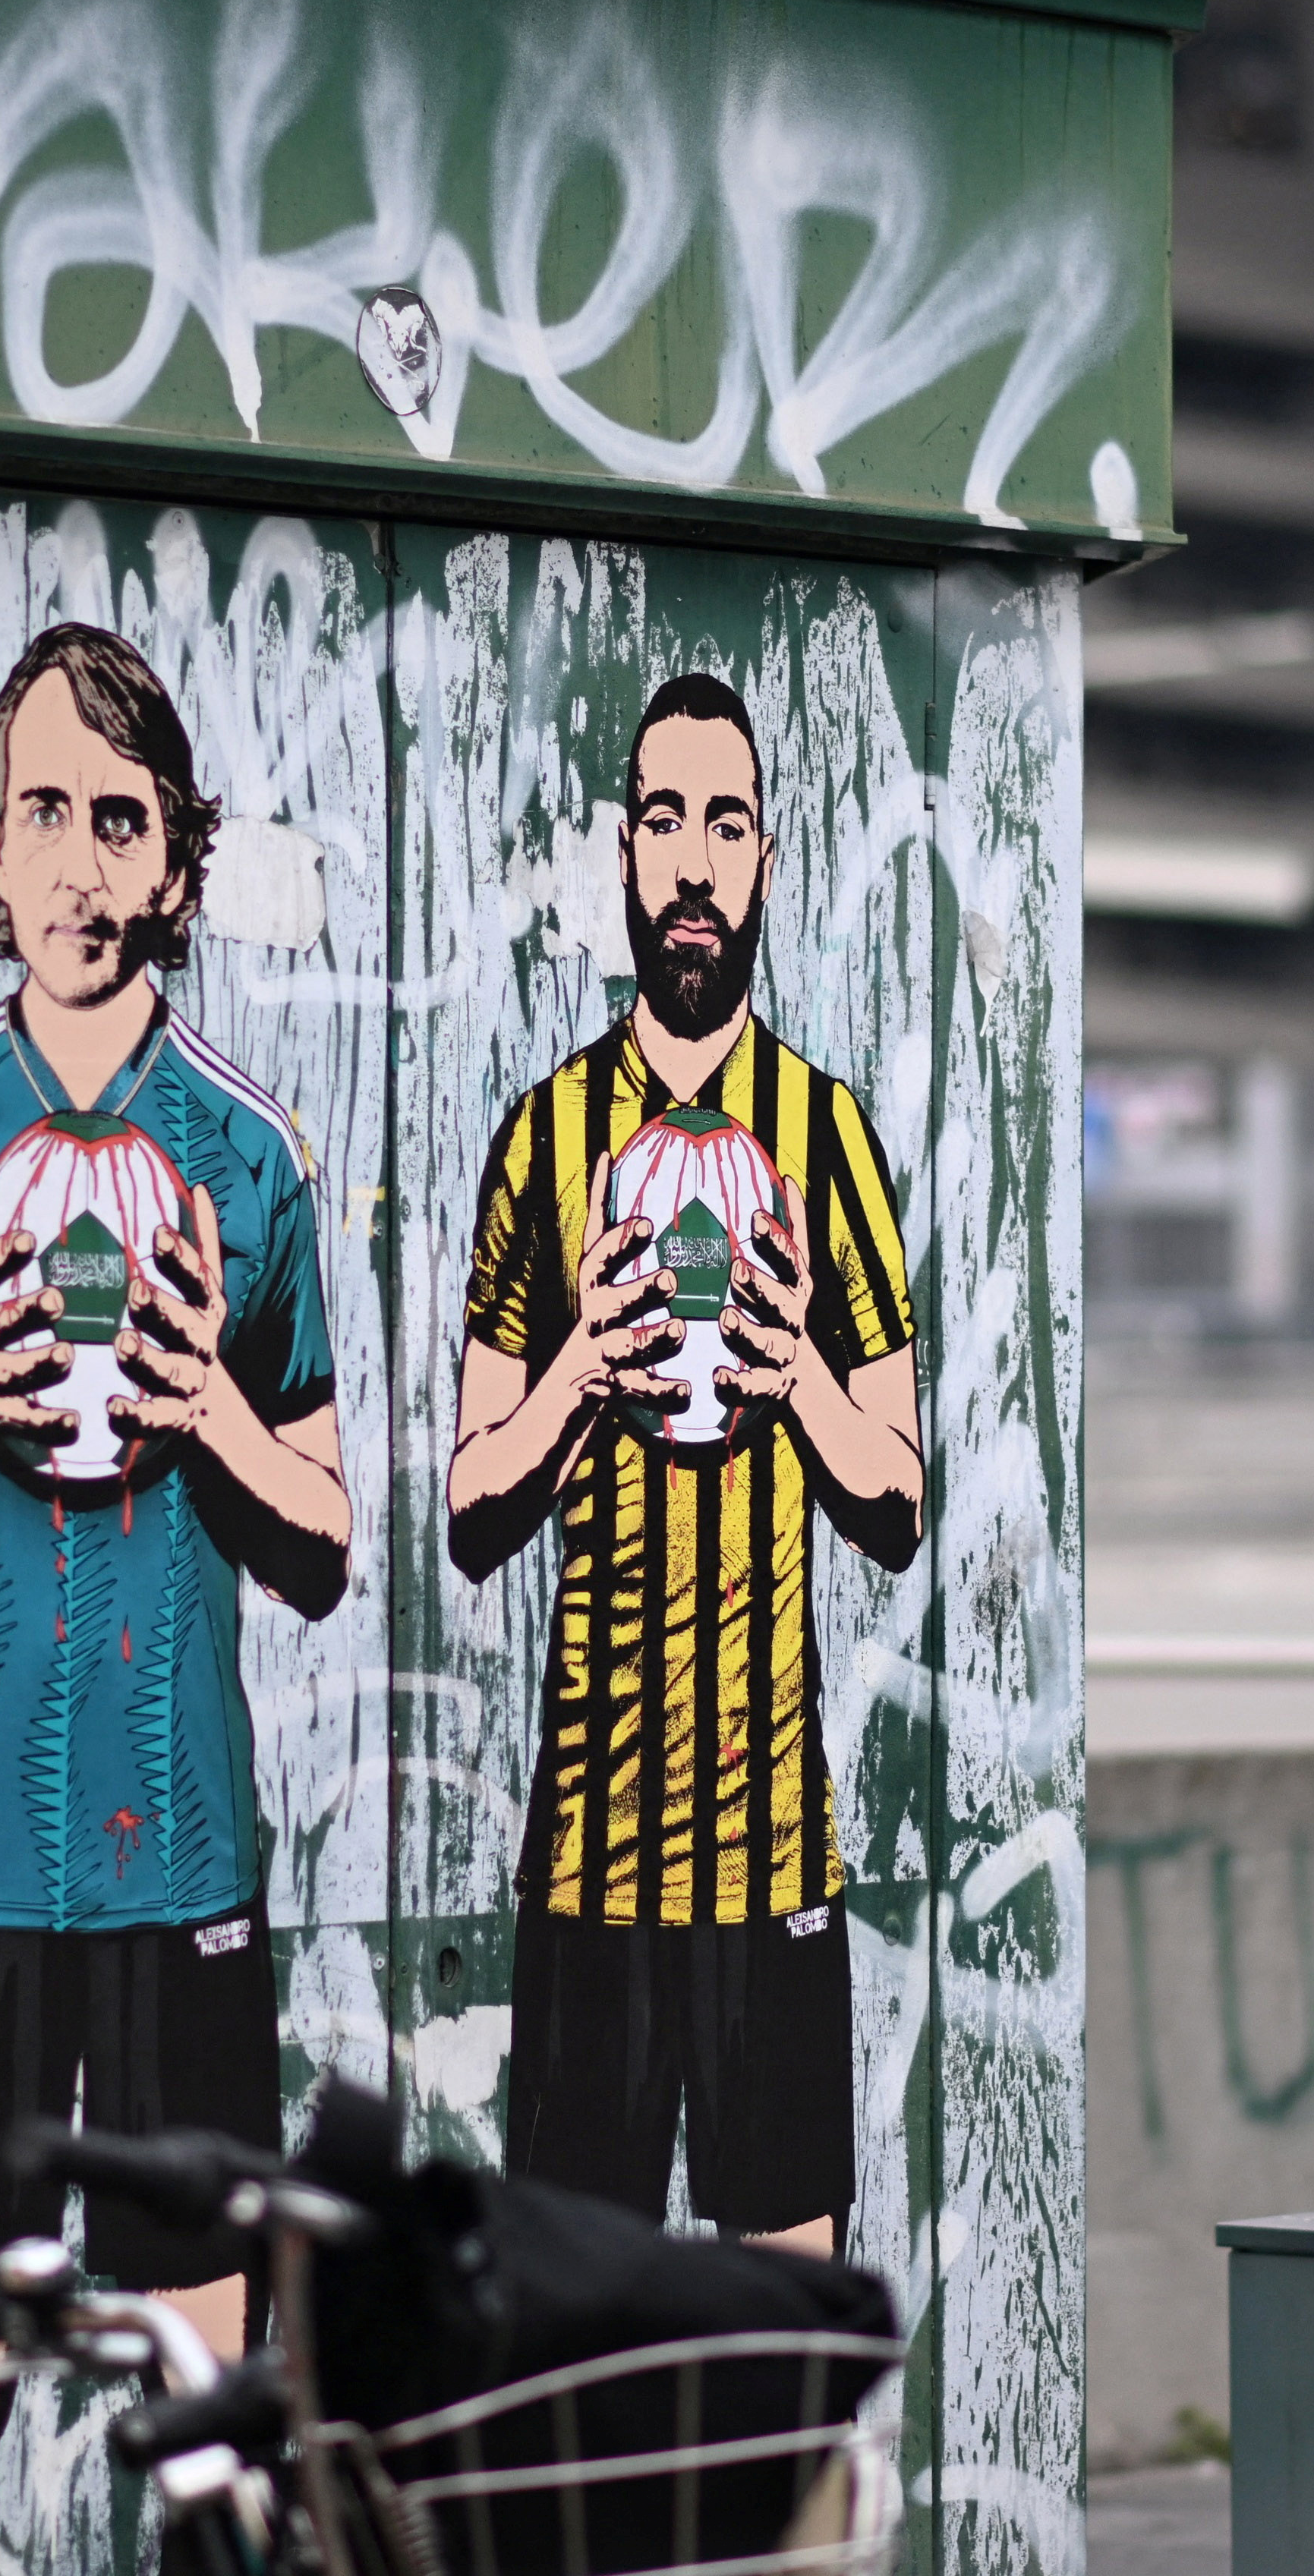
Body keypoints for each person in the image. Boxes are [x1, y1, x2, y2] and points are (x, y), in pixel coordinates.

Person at [0, 622, 350, 2575]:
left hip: (184, 1887)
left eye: (123, 820)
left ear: (177, 858)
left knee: (210, 2428)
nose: (83, 860)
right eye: (46, 811)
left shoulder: (248, 1163)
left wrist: (204, 1411)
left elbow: (324, 1541)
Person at [447, 672, 925, 2259]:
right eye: (667, 820)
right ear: (626, 853)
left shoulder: (825, 1134)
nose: (698, 862)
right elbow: (470, 1507)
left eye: (729, 822)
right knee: (569, 2347)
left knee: (784, 2348)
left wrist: (795, 1375)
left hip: (772, 1853)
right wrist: (582, 1369)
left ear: (768, 857)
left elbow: (899, 1498)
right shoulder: (545, 1138)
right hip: (590, 1867)